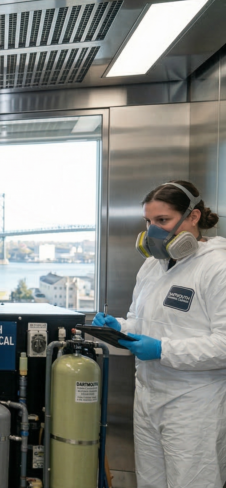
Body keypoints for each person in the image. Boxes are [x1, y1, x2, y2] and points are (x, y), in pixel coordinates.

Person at [91, 180, 226, 488]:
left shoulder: (218, 267)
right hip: (148, 397)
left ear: (193, 217)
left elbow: (224, 345)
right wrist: (120, 328)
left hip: (194, 405)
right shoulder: (153, 266)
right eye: (149, 222)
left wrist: (163, 349)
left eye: (163, 221)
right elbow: (143, 323)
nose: (154, 231)